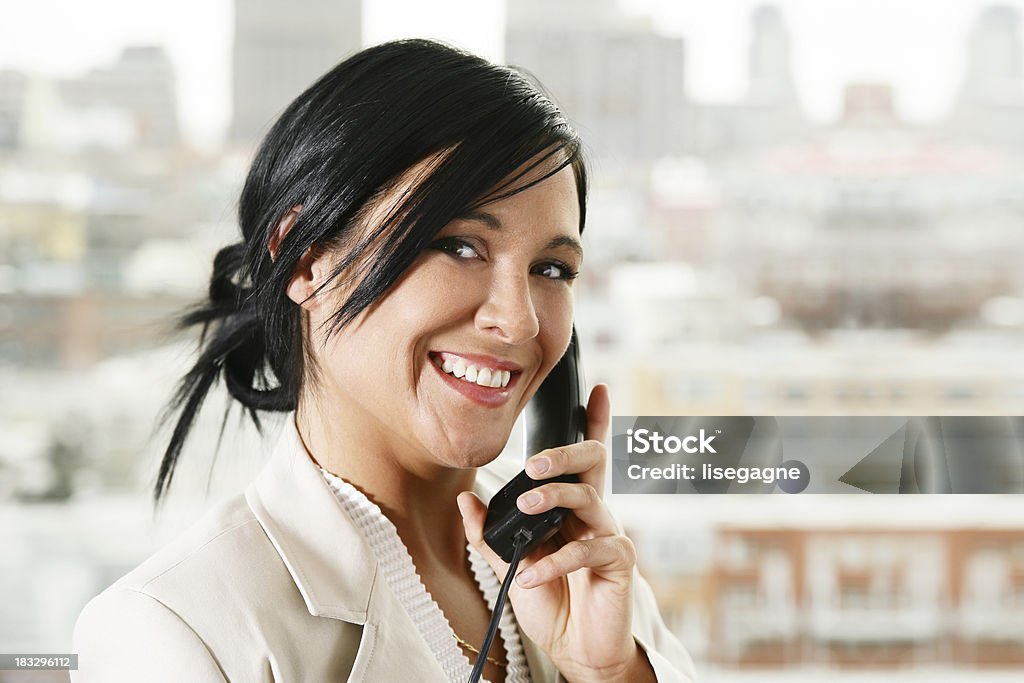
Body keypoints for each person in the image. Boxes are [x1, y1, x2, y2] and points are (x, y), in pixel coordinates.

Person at [72, 39, 697, 682]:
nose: (520, 321)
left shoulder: (584, 575)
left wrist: (608, 671)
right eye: (458, 246)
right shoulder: (172, 630)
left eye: (551, 268)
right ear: (309, 259)